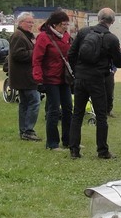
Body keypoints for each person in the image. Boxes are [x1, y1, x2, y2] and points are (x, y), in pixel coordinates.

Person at [67, 7, 121, 159]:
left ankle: (74, 150)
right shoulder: (111, 38)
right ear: (112, 21)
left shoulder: (84, 32)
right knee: (101, 115)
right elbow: (119, 63)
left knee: (77, 114)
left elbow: (71, 54)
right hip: (98, 79)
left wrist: (76, 71)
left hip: (80, 78)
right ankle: (102, 151)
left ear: (98, 18)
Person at [33, 10, 73, 151]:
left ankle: (68, 141)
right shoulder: (43, 38)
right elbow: (36, 59)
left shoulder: (66, 36)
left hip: (64, 78)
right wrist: (38, 79)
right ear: (54, 24)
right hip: (50, 79)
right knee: (54, 110)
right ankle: (52, 143)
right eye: (63, 24)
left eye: (67, 24)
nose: (66, 27)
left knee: (68, 108)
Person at [9, 12, 41, 142]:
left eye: (32, 22)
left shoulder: (26, 36)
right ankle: (28, 130)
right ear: (21, 22)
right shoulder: (18, 36)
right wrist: (36, 52)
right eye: (29, 22)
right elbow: (18, 55)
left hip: (24, 76)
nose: (31, 25)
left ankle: (24, 131)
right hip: (24, 77)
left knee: (25, 104)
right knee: (35, 101)